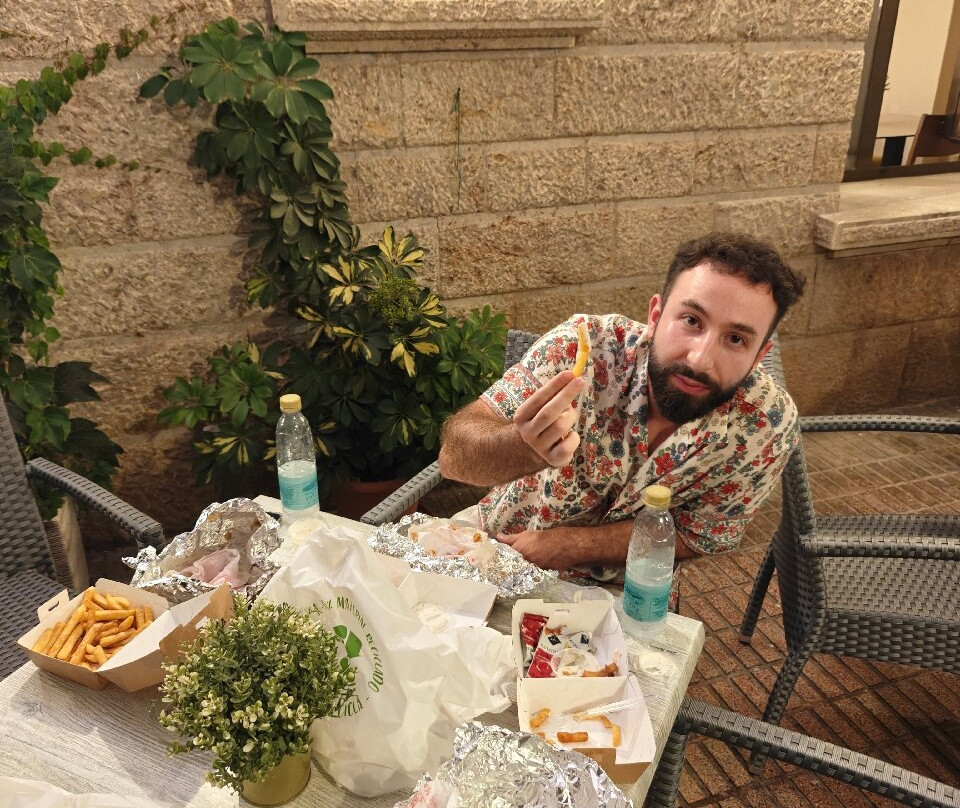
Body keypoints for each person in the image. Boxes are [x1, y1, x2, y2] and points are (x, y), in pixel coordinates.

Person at [438, 232, 805, 582]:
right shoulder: (583, 348)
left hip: (630, 592)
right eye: (692, 321)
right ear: (656, 315)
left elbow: (700, 535)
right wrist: (523, 445)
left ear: (760, 356)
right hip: (495, 550)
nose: (699, 359)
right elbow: (454, 459)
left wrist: (573, 545)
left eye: (736, 339)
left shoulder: (766, 426)